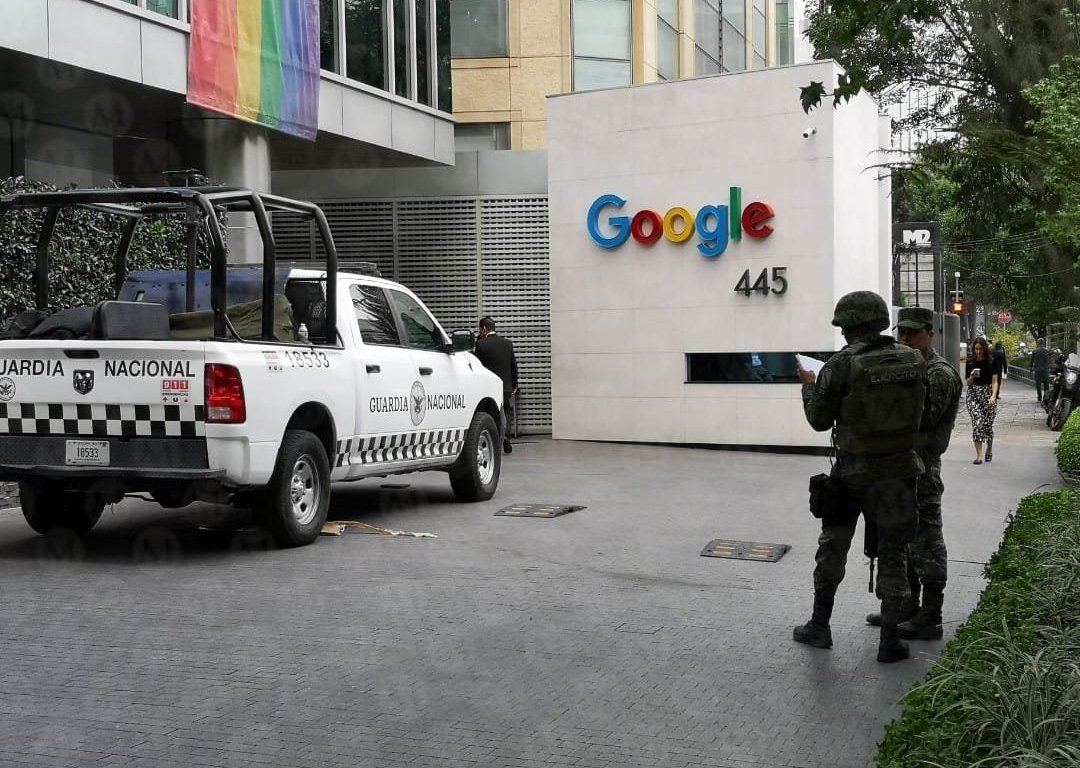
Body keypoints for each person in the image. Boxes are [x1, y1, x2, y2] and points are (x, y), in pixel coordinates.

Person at [794, 291, 927, 664]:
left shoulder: (841, 364)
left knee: (833, 547)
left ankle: (820, 626)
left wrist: (808, 383)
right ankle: (889, 641)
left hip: (852, 474)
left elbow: (819, 419)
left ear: (849, 326)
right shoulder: (914, 359)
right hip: (900, 474)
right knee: (894, 553)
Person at [865, 307, 962, 640]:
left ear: (929, 334)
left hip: (922, 470)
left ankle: (931, 616)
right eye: (900, 333)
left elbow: (922, 420)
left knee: (928, 542)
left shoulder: (939, 374)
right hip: (898, 469)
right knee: (902, 542)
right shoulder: (905, 369)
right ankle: (907, 606)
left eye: (911, 333)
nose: (904, 339)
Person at [474, 316, 518, 454]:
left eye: (480, 330)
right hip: (505, 386)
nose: (479, 332)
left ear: (485, 329)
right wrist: (514, 384)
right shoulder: (507, 343)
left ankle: (494, 440)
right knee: (505, 411)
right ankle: (506, 436)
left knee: (490, 413)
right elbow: (513, 365)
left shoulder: (481, 345)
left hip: (489, 387)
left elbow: (477, 366)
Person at [965, 337, 1000, 464]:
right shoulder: (970, 362)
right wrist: (972, 376)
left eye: (980, 349)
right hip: (973, 394)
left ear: (985, 349)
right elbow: (967, 383)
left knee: (988, 426)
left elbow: (995, 381)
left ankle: (989, 449)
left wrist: (993, 396)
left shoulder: (992, 362)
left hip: (988, 393)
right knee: (978, 422)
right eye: (976, 349)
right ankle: (979, 456)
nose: (978, 352)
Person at [1032, 338, 1050, 403]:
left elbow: (1032, 361)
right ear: (1043, 343)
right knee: (1046, 384)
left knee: (1038, 384)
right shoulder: (1046, 351)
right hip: (1045, 370)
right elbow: (1048, 361)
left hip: (1037, 370)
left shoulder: (1034, 351)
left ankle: (1039, 397)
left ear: (1038, 343)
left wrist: (1031, 368)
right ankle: (1046, 398)